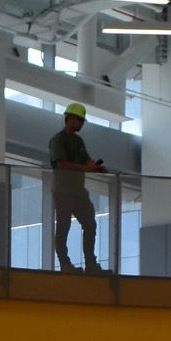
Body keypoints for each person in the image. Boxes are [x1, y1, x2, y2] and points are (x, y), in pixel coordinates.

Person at [46, 103, 105, 272]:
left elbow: (87, 160)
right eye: (79, 119)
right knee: (64, 225)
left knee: (90, 224)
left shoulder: (78, 141)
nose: (81, 123)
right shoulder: (58, 140)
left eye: (82, 120)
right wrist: (87, 168)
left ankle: (90, 263)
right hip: (63, 191)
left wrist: (97, 167)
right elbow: (62, 164)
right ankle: (64, 263)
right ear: (69, 118)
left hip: (78, 191)